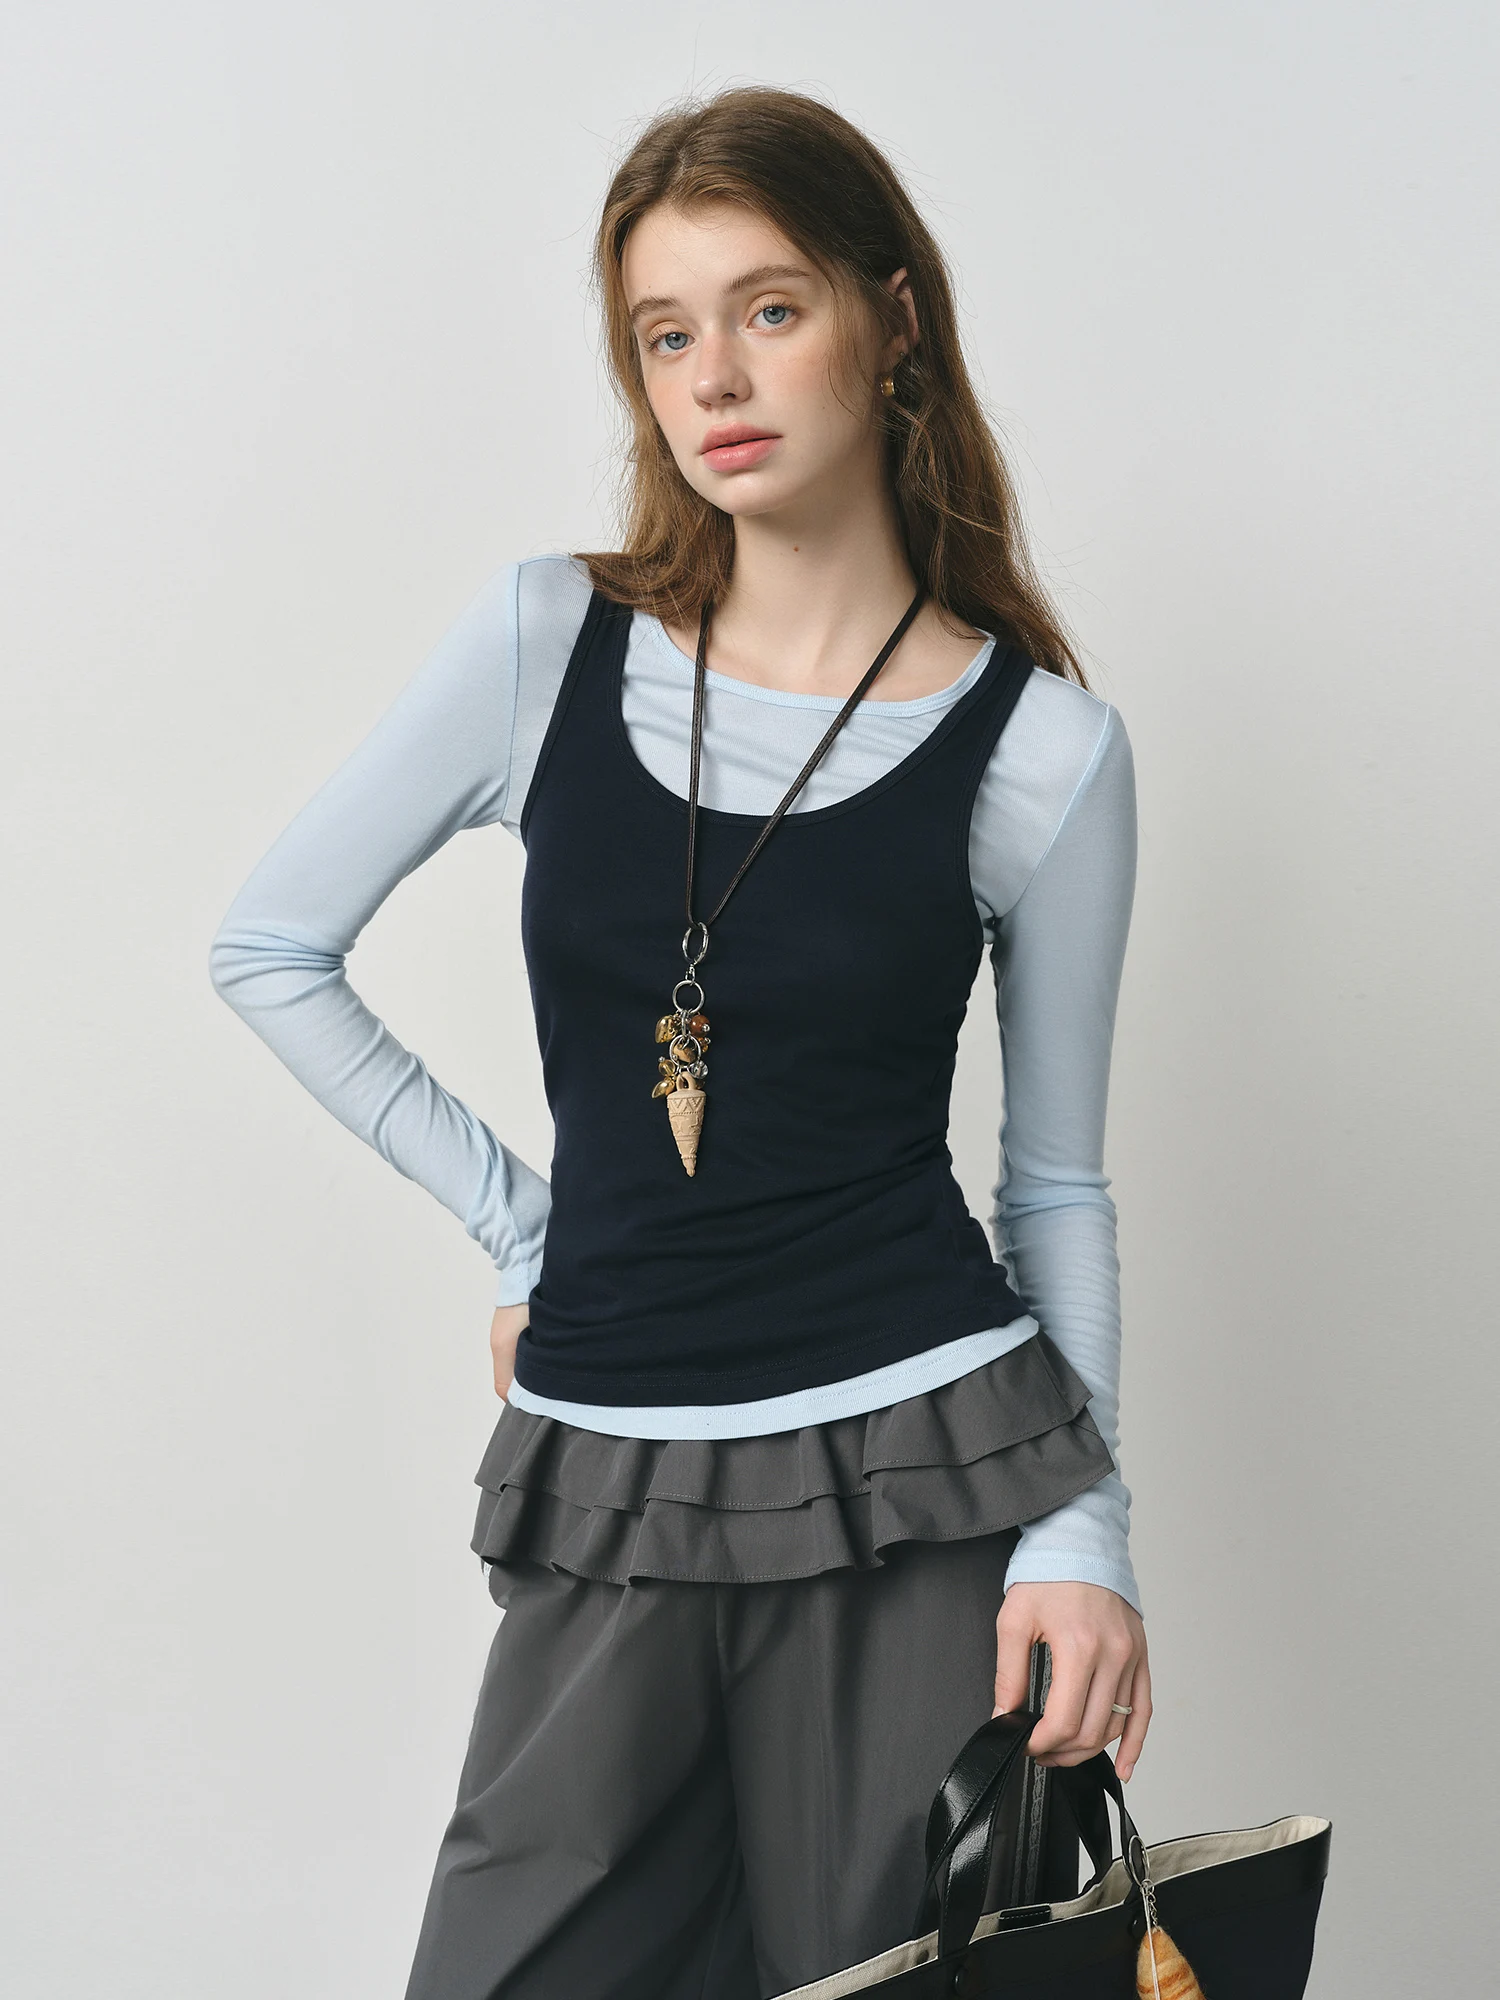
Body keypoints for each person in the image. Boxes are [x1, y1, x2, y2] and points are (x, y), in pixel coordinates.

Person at [210, 85, 1150, 2000]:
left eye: (769, 309)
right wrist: (525, 1233)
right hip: (612, 1462)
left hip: (923, 1470)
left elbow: (1053, 1185)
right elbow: (272, 946)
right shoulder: (547, 639)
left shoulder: (1044, 749)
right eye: (664, 333)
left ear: (892, 319)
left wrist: (1087, 1534)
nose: (713, 376)